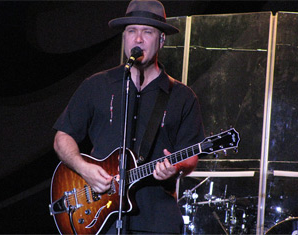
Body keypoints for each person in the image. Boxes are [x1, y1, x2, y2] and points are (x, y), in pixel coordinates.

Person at [53, 0, 205, 233]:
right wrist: (84, 169)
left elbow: (191, 156)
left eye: (147, 32)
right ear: (124, 38)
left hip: (157, 219)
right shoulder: (97, 85)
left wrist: (176, 168)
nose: (138, 39)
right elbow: (62, 137)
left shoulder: (182, 97)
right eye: (131, 31)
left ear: (161, 40)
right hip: (102, 217)